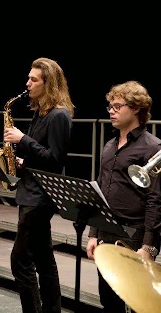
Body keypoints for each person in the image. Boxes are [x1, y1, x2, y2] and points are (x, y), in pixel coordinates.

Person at [4, 57, 75, 313]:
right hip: (30, 191)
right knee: (44, 259)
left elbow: (55, 160)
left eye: (34, 79)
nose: (28, 83)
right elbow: (41, 155)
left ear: (49, 83)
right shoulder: (41, 114)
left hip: (40, 197)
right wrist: (22, 160)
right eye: (29, 78)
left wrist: (23, 139)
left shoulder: (59, 116)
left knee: (20, 260)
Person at [86, 80, 161, 312]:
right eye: (110, 107)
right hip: (106, 232)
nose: (111, 111)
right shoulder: (109, 145)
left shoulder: (152, 148)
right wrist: (93, 233)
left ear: (136, 108)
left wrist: (149, 247)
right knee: (109, 301)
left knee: (140, 304)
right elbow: (100, 190)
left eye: (117, 106)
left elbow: (155, 200)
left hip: (134, 235)